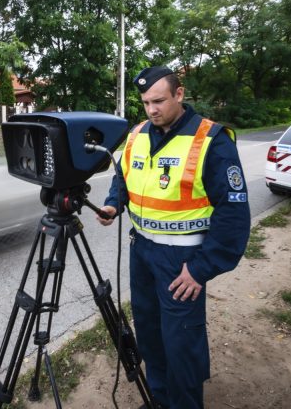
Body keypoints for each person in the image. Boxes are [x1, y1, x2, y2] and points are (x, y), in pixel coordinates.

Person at [96, 66, 250, 409]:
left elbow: (233, 213)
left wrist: (200, 269)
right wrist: (112, 205)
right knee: (150, 334)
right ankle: (160, 400)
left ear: (179, 94)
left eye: (159, 101)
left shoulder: (211, 139)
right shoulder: (136, 135)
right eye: (146, 102)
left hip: (183, 261)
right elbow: (123, 177)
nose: (152, 109)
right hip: (142, 253)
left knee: (181, 343)